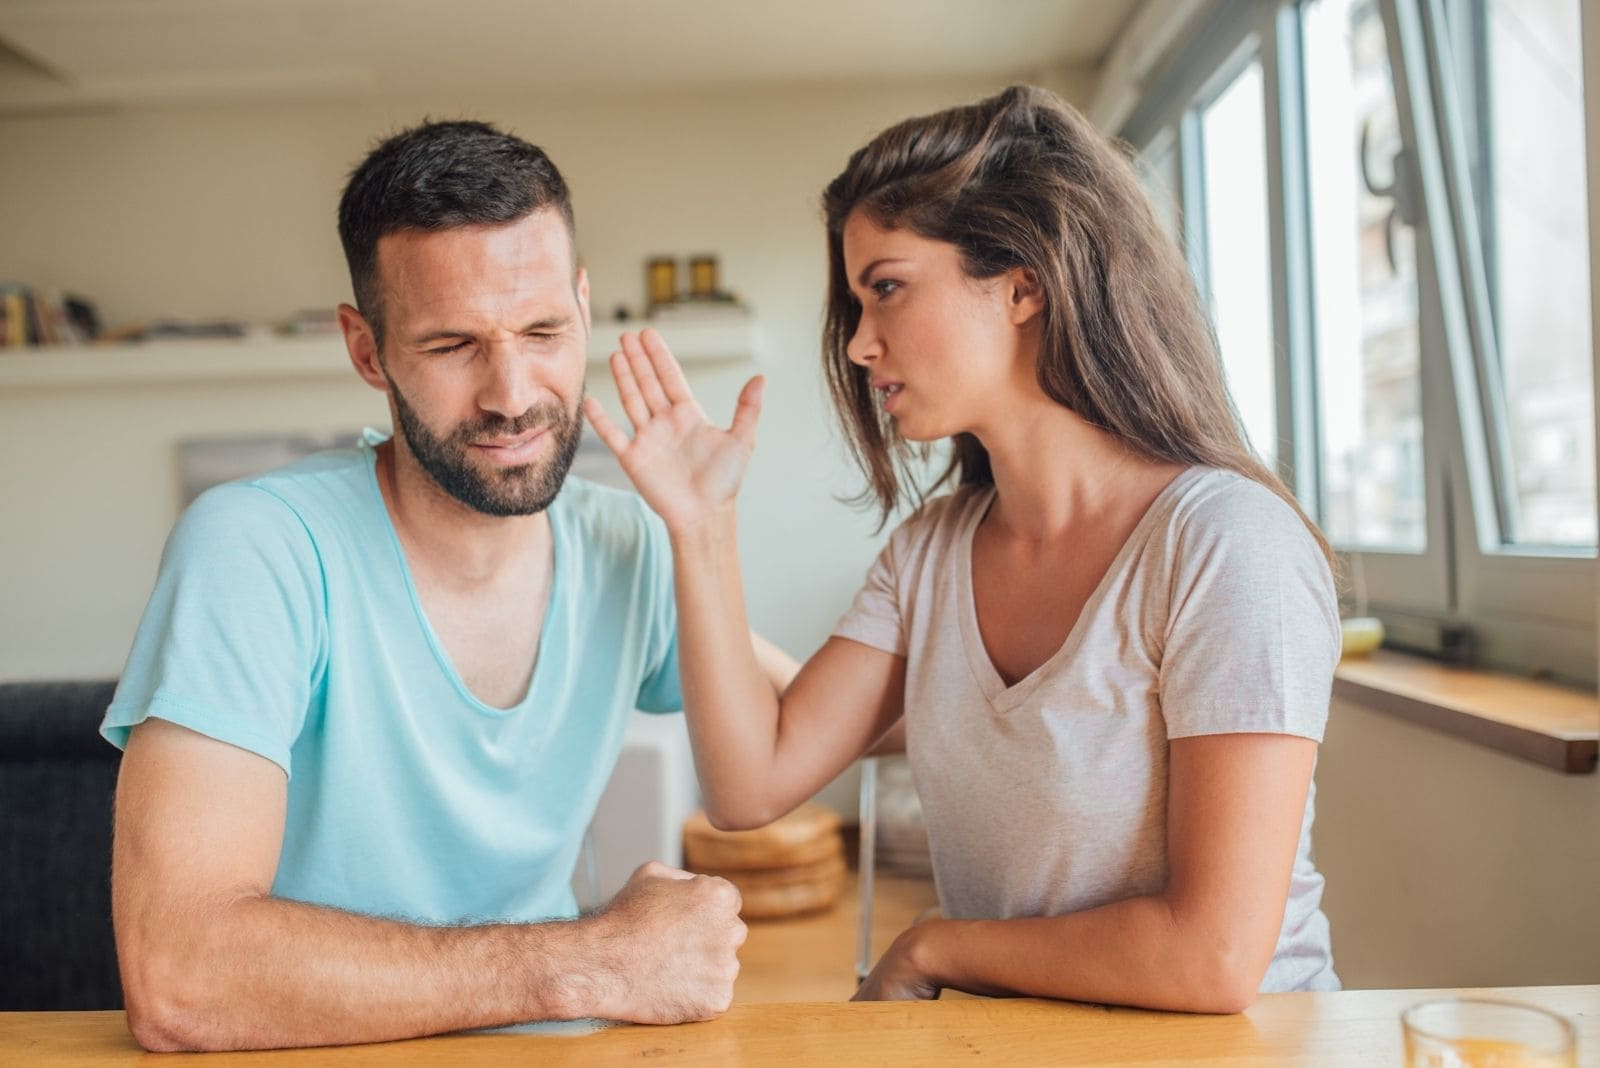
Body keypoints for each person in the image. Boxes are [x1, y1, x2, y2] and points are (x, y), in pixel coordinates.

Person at [586, 84, 1342, 1013]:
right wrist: (699, 526)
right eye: (858, 304)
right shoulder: (929, 555)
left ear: (1024, 282)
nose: (861, 345)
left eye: (888, 289)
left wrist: (936, 947)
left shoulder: (1227, 546)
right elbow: (750, 784)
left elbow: (1211, 958)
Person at [101, 120, 794, 1052]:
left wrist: (706, 532)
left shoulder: (624, 545)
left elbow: (807, 718)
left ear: (585, 308)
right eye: (451, 345)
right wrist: (594, 960)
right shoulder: (255, 549)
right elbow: (180, 980)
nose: (511, 393)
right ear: (366, 348)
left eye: (544, 329)